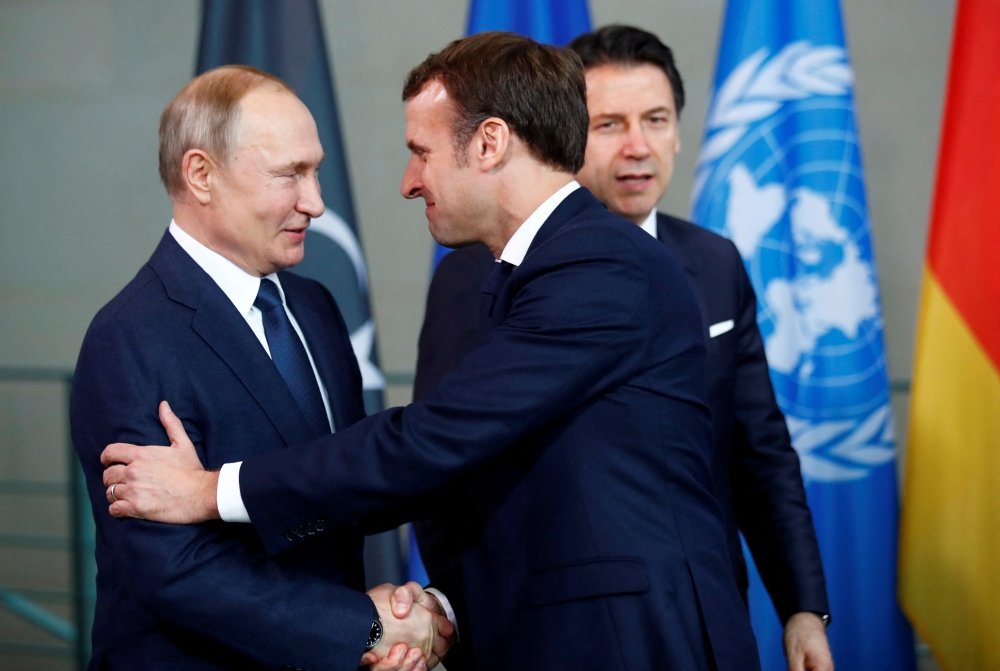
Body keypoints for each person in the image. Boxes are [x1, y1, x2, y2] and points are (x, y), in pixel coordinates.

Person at [100, 33, 761, 671]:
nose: (409, 181)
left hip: (630, 640)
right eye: (290, 173)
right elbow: (452, 463)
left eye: (422, 150)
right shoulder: (130, 334)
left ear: (490, 142)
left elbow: (430, 441)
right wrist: (393, 616)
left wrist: (210, 489)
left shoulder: (597, 268)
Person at [413, 25, 833, 671]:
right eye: (609, 124)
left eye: (656, 119)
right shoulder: (476, 273)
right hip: (555, 630)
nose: (638, 146)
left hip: (703, 616)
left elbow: (759, 451)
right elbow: (442, 460)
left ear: (680, 131)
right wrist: (474, 613)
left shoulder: (714, 262)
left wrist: (802, 606)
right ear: (563, 133)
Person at [70, 65, 452, 671]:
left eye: (316, 169)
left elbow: (343, 483)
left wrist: (404, 613)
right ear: (201, 175)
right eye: (289, 175)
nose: (316, 202)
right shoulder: (128, 338)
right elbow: (172, 569)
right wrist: (362, 627)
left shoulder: (315, 308)